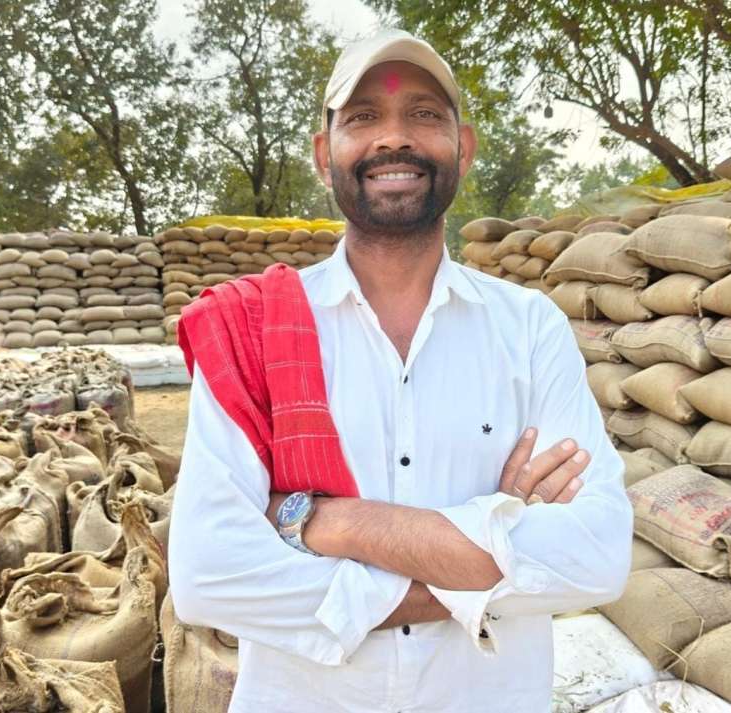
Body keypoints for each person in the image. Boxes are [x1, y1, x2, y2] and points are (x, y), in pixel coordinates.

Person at [169, 28, 633, 713]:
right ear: (325, 155)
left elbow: (596, 554)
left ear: (463, 148)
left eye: (423, 114)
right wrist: (491, 545)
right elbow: (209, 575)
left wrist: (331, 522)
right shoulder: (253, 330)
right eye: (364, 116)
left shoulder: (529, 328)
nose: (394, 137)